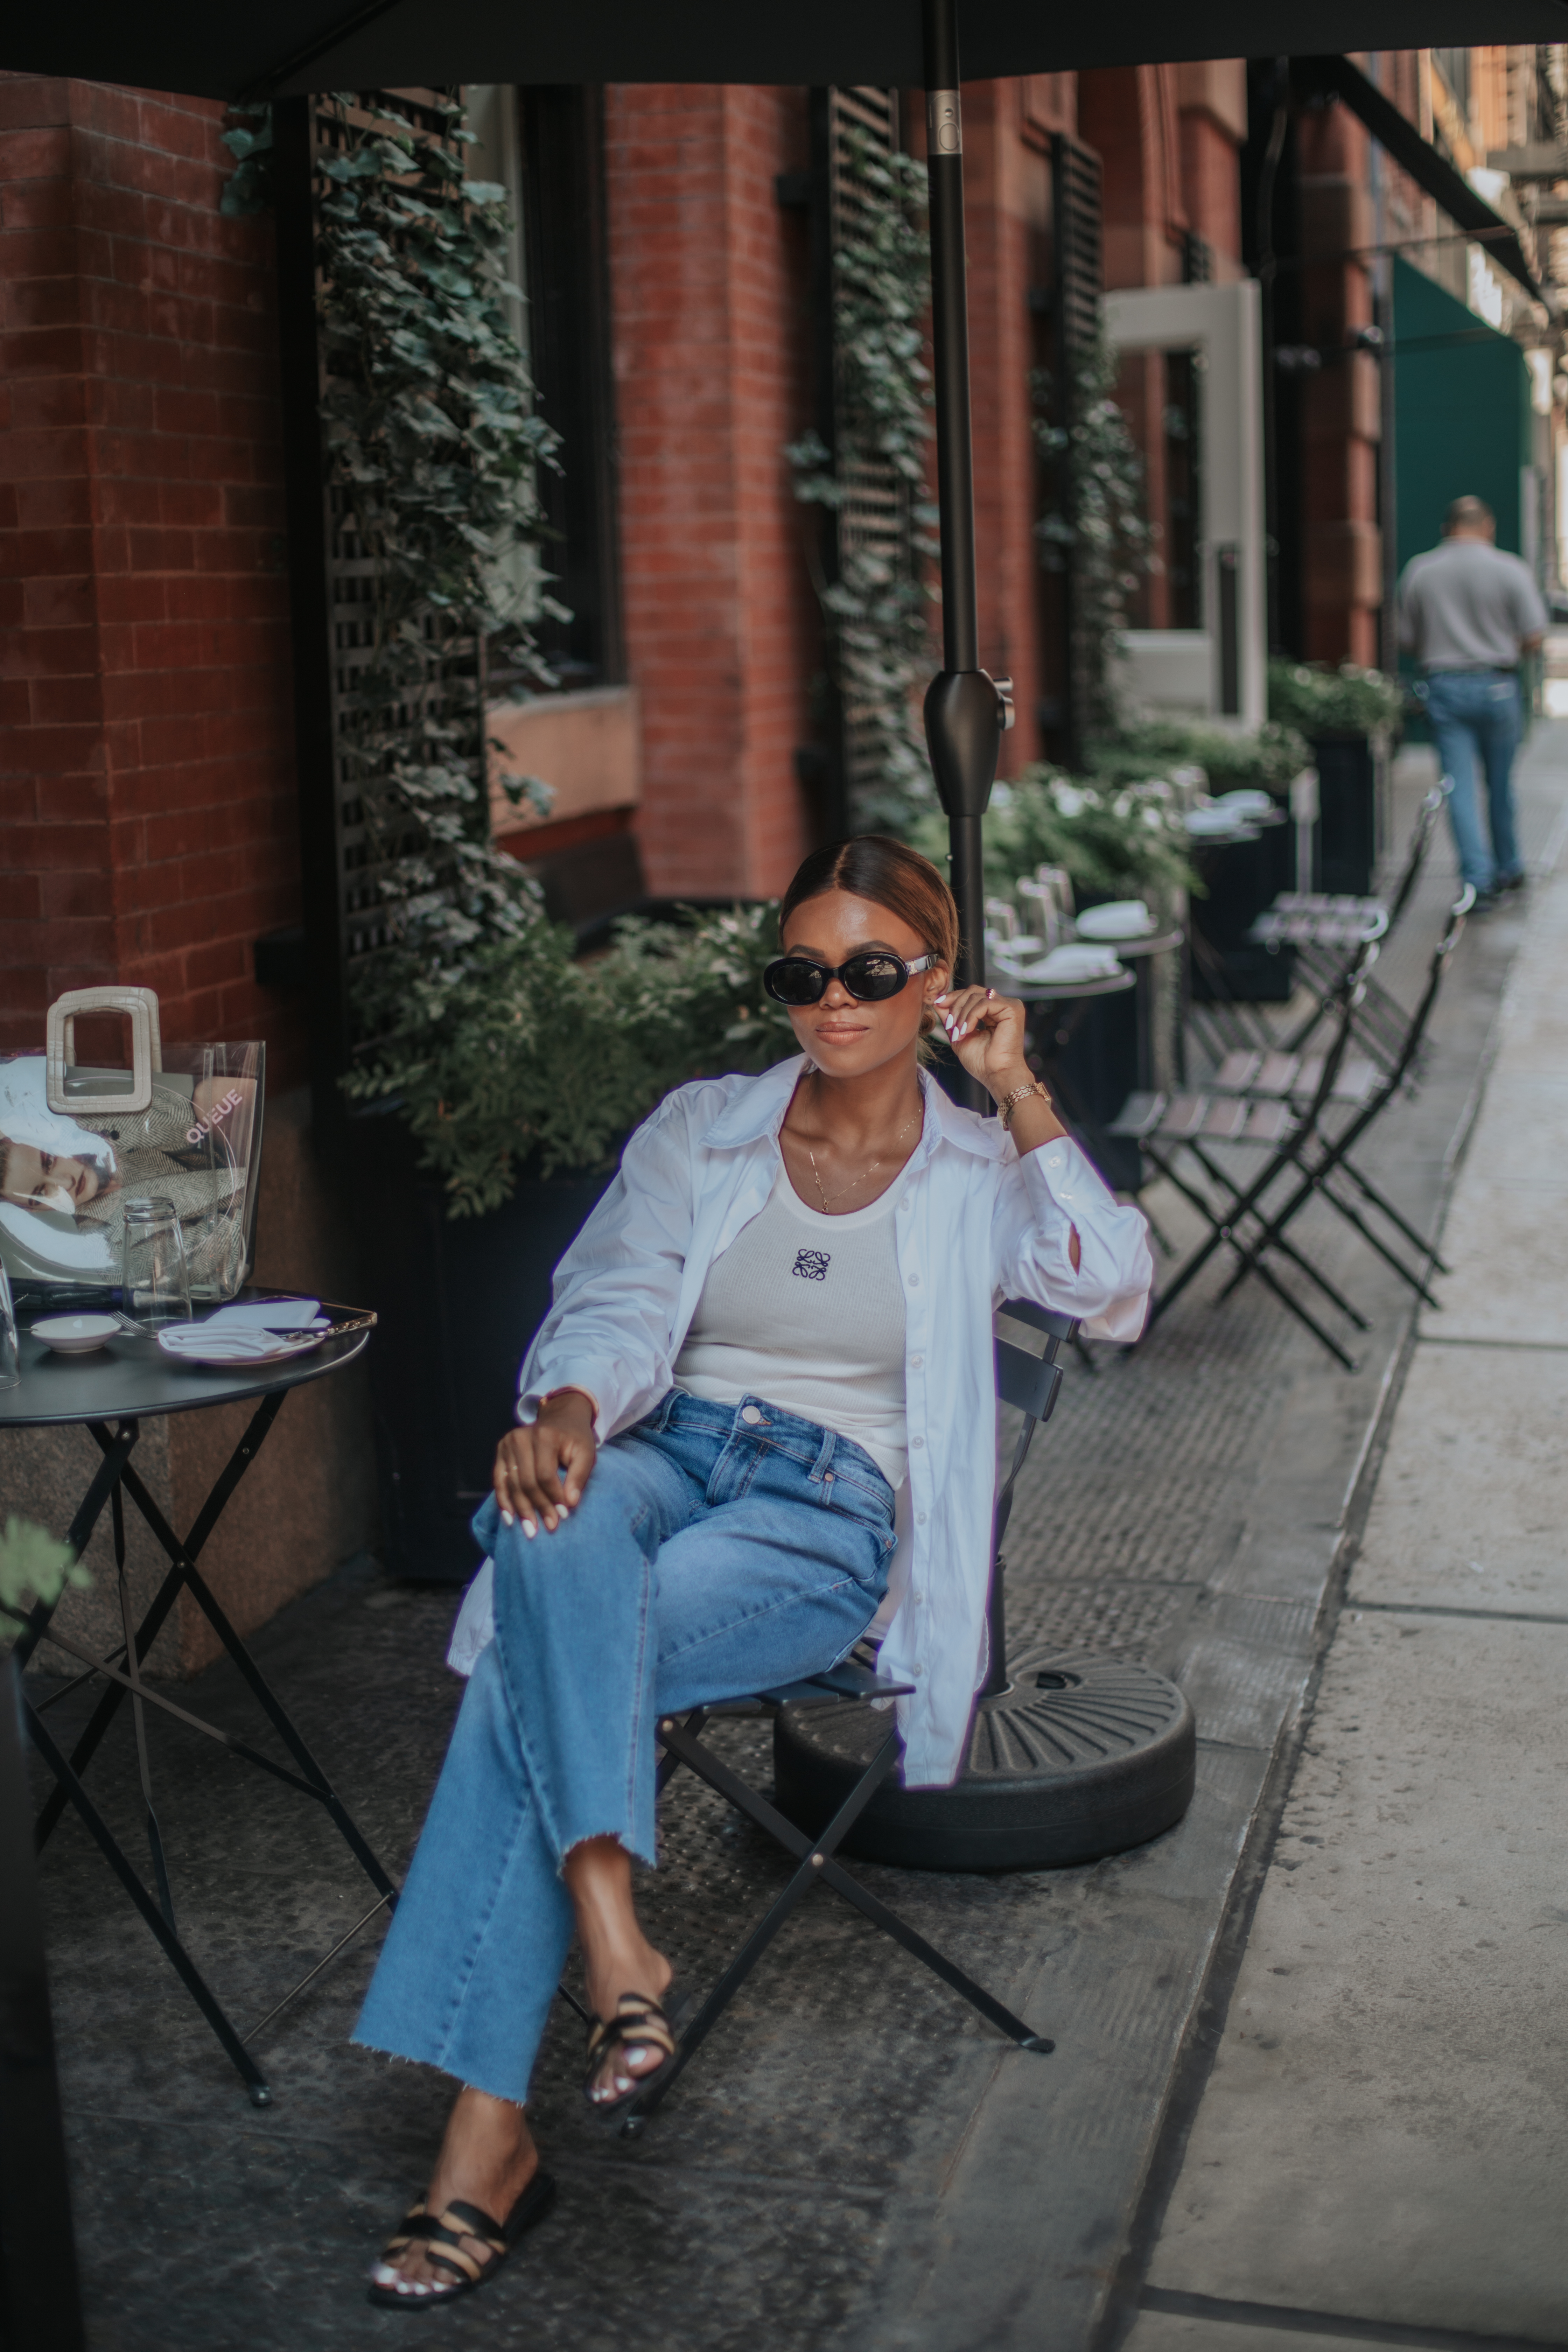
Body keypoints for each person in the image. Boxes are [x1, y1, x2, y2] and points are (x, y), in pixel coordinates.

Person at [352, 833, 1152, 2310]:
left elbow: (1112, 1286)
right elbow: (615, 1287)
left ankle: (490, 2125)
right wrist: (577, 1406)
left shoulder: (981, 1162)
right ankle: (612, 1940)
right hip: (669, 1450)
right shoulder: (704, 1126)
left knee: (548, 1624)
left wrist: (1020, 1089)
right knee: (553, 1517)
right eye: (801, 972)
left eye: (868, 970)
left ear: (934, 973)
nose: (831, 1000)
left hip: (828, 1506)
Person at [1396, 494, 1547, 904]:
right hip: (1498, 685)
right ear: (1488, 527)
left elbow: (1406, 638)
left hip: (1444, 686)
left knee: (1458, 787)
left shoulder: (1421, 570)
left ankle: (1477, 882)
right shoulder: (1509, 569)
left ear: (1447, 529)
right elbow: (1534, 635)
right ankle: (1509, 866)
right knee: (1500, 785)